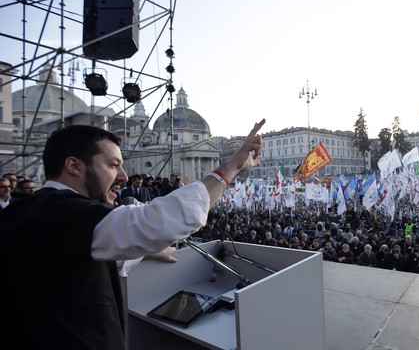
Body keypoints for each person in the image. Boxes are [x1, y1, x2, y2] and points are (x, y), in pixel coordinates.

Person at [0, 119, 265, 349]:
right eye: (113, 164)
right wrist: (233, 167)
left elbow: (82, 258)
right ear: (74, 166)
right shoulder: (71, 215)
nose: (124, 176)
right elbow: (168, 219)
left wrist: (149, 251)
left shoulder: (22, 211)